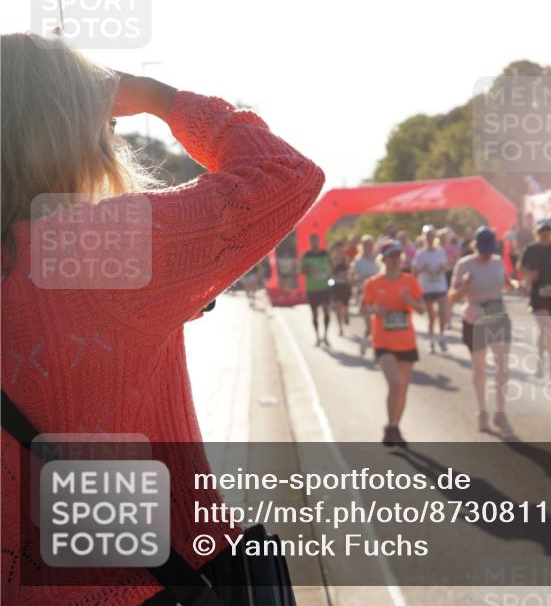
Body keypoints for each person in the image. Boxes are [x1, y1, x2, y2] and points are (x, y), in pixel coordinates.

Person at [0, 33, 325, 605]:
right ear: (78, 128)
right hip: (148, 583)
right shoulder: (93, 249)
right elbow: (284, 174)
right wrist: (157, 97)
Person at [450, 227, 518, 435]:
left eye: (489, 249)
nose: (486, 253)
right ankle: (481, 411)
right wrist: (466, 285)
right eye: (482, 249)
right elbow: (452, 297)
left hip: (497, 315)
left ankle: (500, 412)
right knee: (479, 368)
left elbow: (506, 285)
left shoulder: (498, 262)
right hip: (475, 319)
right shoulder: (464, 264)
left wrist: (514, 285)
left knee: (502, 365)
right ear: (475, 246)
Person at [362, 240, 426, 447]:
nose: (396, 260)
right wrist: (375, 311)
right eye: (392, 256)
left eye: (399, 256)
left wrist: (410, 301)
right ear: (384, 259)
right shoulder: (373, 283)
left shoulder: (409, 281)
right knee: (395, 384)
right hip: (383, 341)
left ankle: (395, 426)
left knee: (403, 390)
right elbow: (365, 309)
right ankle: (391, 425)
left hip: (406, 341)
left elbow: (422, 309)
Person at [517, 218, 551, 380]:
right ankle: (540, 363)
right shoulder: (531, 249)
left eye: (548, 231)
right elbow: (520, 267)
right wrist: (528, 274)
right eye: (542, 231)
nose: (545, 234)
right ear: (537, 232)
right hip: (539, 293)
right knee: (544, 328)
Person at [413, 224, 450, 353]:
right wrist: (424, 268)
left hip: (440, 286)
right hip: (427, 288)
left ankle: (441, 337)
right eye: (427, 236)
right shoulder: (420, 253)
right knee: (431, 317)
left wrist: (442, 268)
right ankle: (431, 340)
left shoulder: (441, 251)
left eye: (431, 235)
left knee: (442, 314)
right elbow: (415, 272)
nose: (429, 238)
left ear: (435, 237)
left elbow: (446, 267)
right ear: (424, 237)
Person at [300, 233, 333, 345]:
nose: (314, 242)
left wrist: (330, 274)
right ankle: (317, 336)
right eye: (312, 240)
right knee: (314, 314)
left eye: (316, 240)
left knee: (327, 311)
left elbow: (332, 265)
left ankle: (326, 336)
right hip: (312, 289)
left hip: (325, 287)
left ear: (318, 241)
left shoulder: (325, 253)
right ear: (310, 242)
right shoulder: (306, 255)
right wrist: (309, 270)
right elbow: (301, 271)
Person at [351, 235, 380, 356]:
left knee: (377, 323)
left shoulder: (378, 260)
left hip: (378, 294)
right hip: (363, 294)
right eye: (366, 245)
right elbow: (352, 278)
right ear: (362, 247)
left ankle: (373, 346)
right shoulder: (358, 260)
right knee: (370, 324)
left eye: (370, 244)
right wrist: (361, 277)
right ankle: (369, 345)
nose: (368, 247)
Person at [329, 240, 352, 337]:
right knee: (338, 306)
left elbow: (350, 270)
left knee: (345, 305)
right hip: (336, 285)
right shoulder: (332, 260)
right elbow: (329, 272)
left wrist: (345, 274)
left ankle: (346, 314)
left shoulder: (346, 259)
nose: (339, 250)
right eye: (337, 249)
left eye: (340, 248)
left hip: (345, 285)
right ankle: (340, 328)